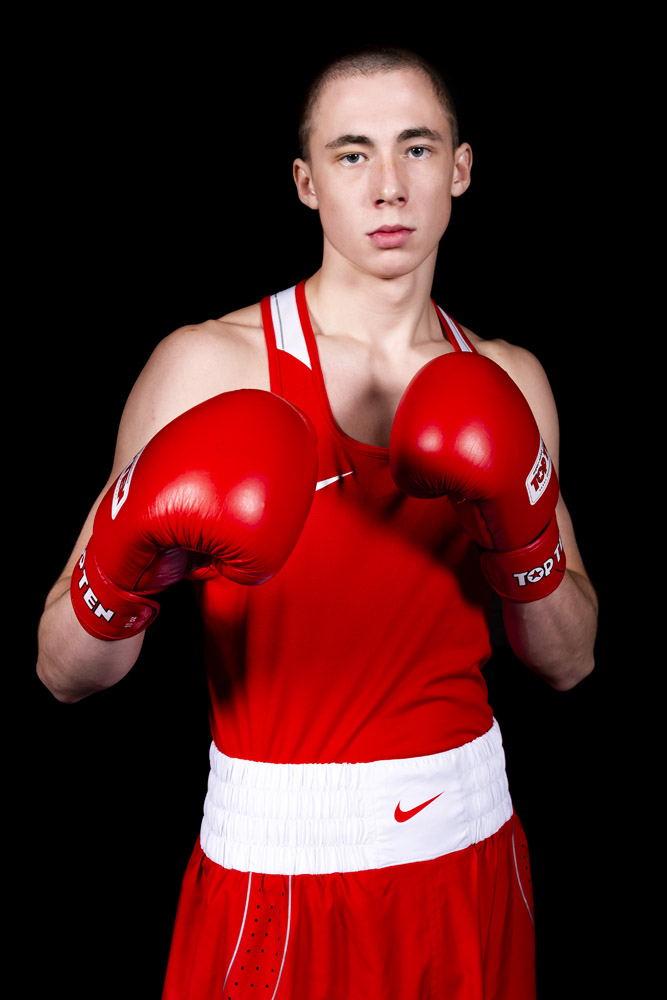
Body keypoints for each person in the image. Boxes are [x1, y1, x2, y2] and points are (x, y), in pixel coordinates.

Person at [36, 46, 598, 999]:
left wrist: (526, 538)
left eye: (416, 147)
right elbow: (63, 672)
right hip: (281, 879)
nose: (388, 186)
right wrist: (125, 567)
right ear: (306, 183)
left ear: (460, 168)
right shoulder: (207, 366)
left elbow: (568, 660)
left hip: (473, 855)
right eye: (351, 154)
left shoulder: (509, 378)